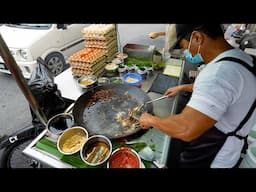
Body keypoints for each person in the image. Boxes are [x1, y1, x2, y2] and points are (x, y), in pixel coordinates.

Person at [139, 24, 256, 168]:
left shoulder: (219, 73)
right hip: (229, 148)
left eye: (185, 47)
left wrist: (151, 120)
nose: (187, 53)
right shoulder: (239, 58)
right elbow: (225, 93)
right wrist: (184, 87)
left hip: (214, 156)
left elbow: (185, 128)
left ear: (197, 37)